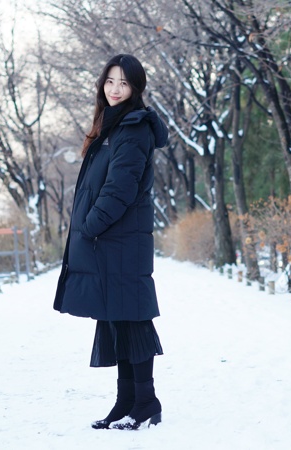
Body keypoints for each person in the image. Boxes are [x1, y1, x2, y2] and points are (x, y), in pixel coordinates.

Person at [53, 54, 168, 430]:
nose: (115, 89)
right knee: (118, 320)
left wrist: (90, 226)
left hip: (121, 242)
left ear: (136, 87)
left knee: (132, 320)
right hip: (111, 242)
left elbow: (120, 188)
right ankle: (126, 401)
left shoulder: (133, 128)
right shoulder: (111, 125)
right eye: (110, 81)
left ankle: (146, 402)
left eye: (124, 82)